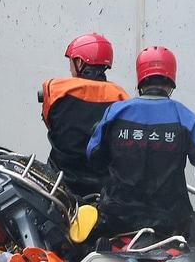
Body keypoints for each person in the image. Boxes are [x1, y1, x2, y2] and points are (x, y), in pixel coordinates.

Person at [85, 45, 195, 248]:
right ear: (171, 80)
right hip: (170, 222)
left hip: (118, 218)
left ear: (141, 78)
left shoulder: (115, 112)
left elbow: (93, 156)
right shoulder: (185, 118)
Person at [38, 33, 129, 196]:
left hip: (59, 183)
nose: (70, 68)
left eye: (72, 62)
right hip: (103, 188)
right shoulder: (121, 97)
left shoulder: (55, 90)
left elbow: (49, 122)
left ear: (80, 62)